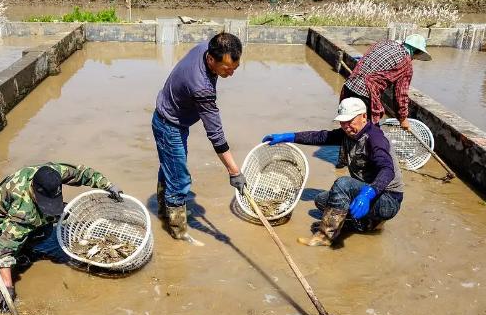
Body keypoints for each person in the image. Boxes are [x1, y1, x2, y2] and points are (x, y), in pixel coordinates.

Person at [0, 162, 122, 313]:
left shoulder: (52, 173)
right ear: (35, 193)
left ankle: (29, 243)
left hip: (17, 206)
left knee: (59, 215)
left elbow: (82, 173)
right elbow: (4, 250)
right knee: (50, 242)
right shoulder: (24, 212)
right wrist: (7, 287)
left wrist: (108, 185)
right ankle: (27, 249)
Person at [262, 98, 404, 246]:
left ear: (363, 116)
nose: (346, 126)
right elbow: (320, 137)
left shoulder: (375, 138)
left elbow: (387, 170)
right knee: (323, 200)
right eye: (343, 122)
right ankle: (369, 223)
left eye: (350, 121)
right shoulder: (348, 133)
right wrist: (289, 136)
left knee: (343, 184)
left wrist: (368, 194)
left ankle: (325, 236)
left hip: (388, 199)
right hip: (372, 195)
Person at [153, 32, 246, 245]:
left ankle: (162, 210)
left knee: (170, 167)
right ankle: (178, 232)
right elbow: (216, 135)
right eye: (226, 69)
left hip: (172, 116)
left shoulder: (207, 46)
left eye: (235, 69)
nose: (231, 74)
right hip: (169, 124)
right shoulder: (201, 87)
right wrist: (234, 172)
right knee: (179, 179)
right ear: (211, 59)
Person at [337, 34, 432, 167]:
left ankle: (342, 161)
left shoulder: (385, 43)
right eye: (416, 57)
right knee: (371, 132)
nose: (414, 60)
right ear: (416, 51)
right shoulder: (406, 64)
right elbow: (401, 95)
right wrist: (403, 119)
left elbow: (366, 60)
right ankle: (370, 165)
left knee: (348, 125)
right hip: (365, 93)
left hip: (349, 86)